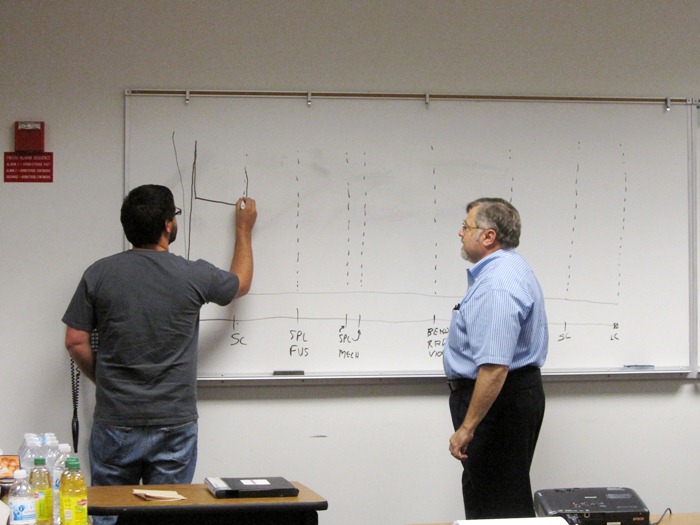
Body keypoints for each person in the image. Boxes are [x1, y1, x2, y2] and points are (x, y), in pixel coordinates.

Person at [62, 184, 256, 524]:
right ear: (168, 225)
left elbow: (75, 341)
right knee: (167, 518)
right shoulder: (193, 274)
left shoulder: (99, 273)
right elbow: (239, 283)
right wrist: (243, 229)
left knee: (107, 516)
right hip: (174, 424)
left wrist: (105, 380)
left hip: (115, 421)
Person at [443, 197, 548, 519]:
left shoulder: (497, 285)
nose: (460, 233)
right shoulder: (509, 266)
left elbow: (494, 367)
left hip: (498, 402)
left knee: (498, 506)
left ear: (488, 236)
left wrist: (467, 427)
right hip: (507, 398)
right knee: (490, 494)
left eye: (466, 226)